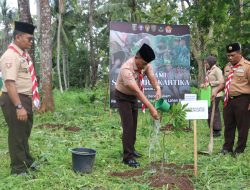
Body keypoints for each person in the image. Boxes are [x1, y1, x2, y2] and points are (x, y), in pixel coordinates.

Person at [0, 21, 39, 175]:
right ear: (18, 37)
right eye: (29, 39)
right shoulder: (10, 56)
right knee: (17, 133)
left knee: (24, 131)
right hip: (14, 99)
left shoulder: (22, 54)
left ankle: (26, 160)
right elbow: (9, 83)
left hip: (25, 98)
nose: (31, 42)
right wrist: (18, 106)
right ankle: (18, 168)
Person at [115, 43, 161, 168]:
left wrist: (157, 88)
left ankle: (131, 148)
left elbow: (151, 78)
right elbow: (137, 91)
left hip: (132, 97)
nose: (145, 67)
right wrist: (151, 108)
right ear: (137, 57)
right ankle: (127, 157)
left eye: (147, 64)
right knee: (128, 125)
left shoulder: (145, 65)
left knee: (134, 124)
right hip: (122, 96)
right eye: (144, 64)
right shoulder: (126, 69)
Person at [212, 42, 250, 155]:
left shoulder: (247, 66)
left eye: (232, 55)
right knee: (228, 124)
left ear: (240, 53)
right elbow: (224, 83)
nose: (230, 58)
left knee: (242, 126)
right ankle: (227, 148)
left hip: (243, 99)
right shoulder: (228, 66)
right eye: (228, 55)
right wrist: (216, 91)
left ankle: (239, 150)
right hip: (228, 99)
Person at [201, 56, 224, 137]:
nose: (205, 65)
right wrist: (205, 85)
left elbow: (221, 81)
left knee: (212, 112)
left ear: (211, 62)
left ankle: (216, 131)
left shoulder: (217, 70)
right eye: (205, 63)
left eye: (206, 63)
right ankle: (214, 130)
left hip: (217, 94)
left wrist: (210, 83)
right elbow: (208, 81)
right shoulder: (209, 71)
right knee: (211, 111)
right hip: (209, 94)